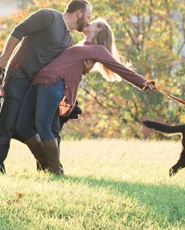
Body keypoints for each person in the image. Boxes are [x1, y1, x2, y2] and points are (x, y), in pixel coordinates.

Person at [16, 19, 157, 175]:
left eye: (93, 23)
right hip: (38, 82)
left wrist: (143, 82)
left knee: (44, 128)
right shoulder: (78, 45)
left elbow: (120, 68)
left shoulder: (97, 49)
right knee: (22, 125)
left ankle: (54, 171)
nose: (88, 22)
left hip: (53, 83)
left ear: (98, 30)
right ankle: (47, 165)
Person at [0, 0, 93, 173]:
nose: (89, 21)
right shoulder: (49, 17)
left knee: (44, 126)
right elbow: (19, 30)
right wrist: (5, 56)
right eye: (88, 16)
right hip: (18, 76)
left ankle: (48, 167)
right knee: (7, 124)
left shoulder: (69, 40)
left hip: (38, 85)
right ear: (79, 13)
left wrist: (87, 67)